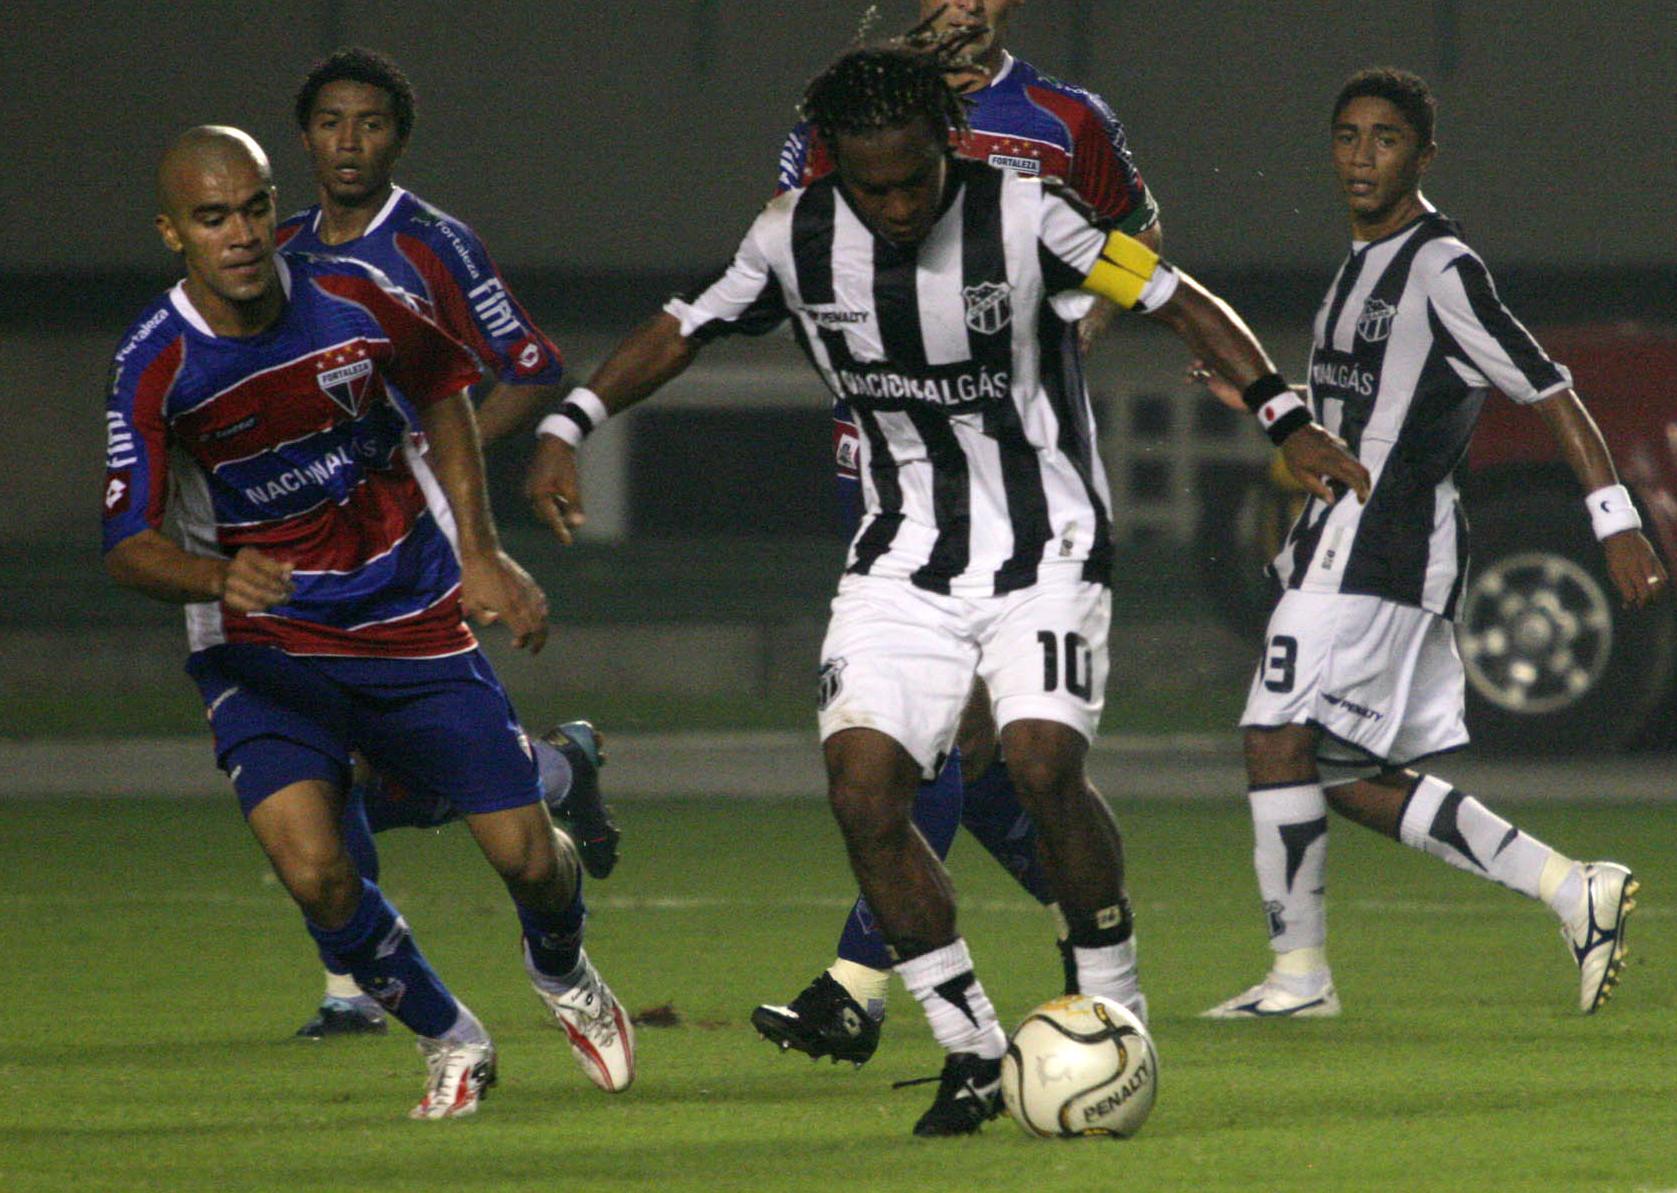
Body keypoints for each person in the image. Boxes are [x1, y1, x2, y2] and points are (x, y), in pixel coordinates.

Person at [526, 41, 1368, 1134]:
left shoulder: (1029, 215)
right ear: (836, 167)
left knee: (1039, 760)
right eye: (869, 185)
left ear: (945, 144)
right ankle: (970, 1042)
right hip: (900, 556)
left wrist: (1286, 416)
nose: (893, 206)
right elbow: (684, 326)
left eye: (913, 179)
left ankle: (1113, 1000)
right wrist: (570, 421)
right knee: (863, 788)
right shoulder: (793, 237)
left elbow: (1175, 296)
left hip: (1046, 543)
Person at [102, 126, 635, 1117]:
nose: (243, 233)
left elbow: (444, 391)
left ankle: (560, 965)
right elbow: (125, 542)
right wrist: (217, 575)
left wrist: (478, 549)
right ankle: (452, 1036)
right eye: (214, 217)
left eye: (256, 206)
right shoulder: (155, 362)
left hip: (405, 609)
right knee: (314, 868)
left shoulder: (347, 293)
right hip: (262, 643)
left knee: (527, 856)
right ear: (173, 231)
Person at [750, 0, 1166, 1068]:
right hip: (889, 475)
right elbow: (801, 244)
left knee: (962, 742)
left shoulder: (1066, 117)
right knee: (943, 741)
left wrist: (1077, 327)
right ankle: (1067, 916)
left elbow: (1135, 240)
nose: (960, 5)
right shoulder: (846, 111)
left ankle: (867, 983)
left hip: (1016, 485)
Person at [1194, 68, 1660, 1021]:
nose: (1363, 157)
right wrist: (1254, 400)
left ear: (1422, 155)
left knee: (1275, 735)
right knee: (1331, 763)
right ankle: (1569, 886)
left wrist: (1617, 525)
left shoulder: (1440, 266)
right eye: (1347, 136)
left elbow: (1548, 389)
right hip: (1343, 534)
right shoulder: (1357, 267)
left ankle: (1298, 979)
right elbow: (1356, 418)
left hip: (1388, 538)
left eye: (1386, 139)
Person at [279, 48, 621, 1039]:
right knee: (333, 756)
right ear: (305, 138)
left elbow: (530, 364)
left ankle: (353, 989)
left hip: (413, 540)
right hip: (311, 537)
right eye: (332, 122)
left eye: (371, 123)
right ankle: (555, 771)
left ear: (398, 138)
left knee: (339, 752)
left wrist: (430, 461)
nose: (350, 140)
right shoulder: (283, 248)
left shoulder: (431, 243)